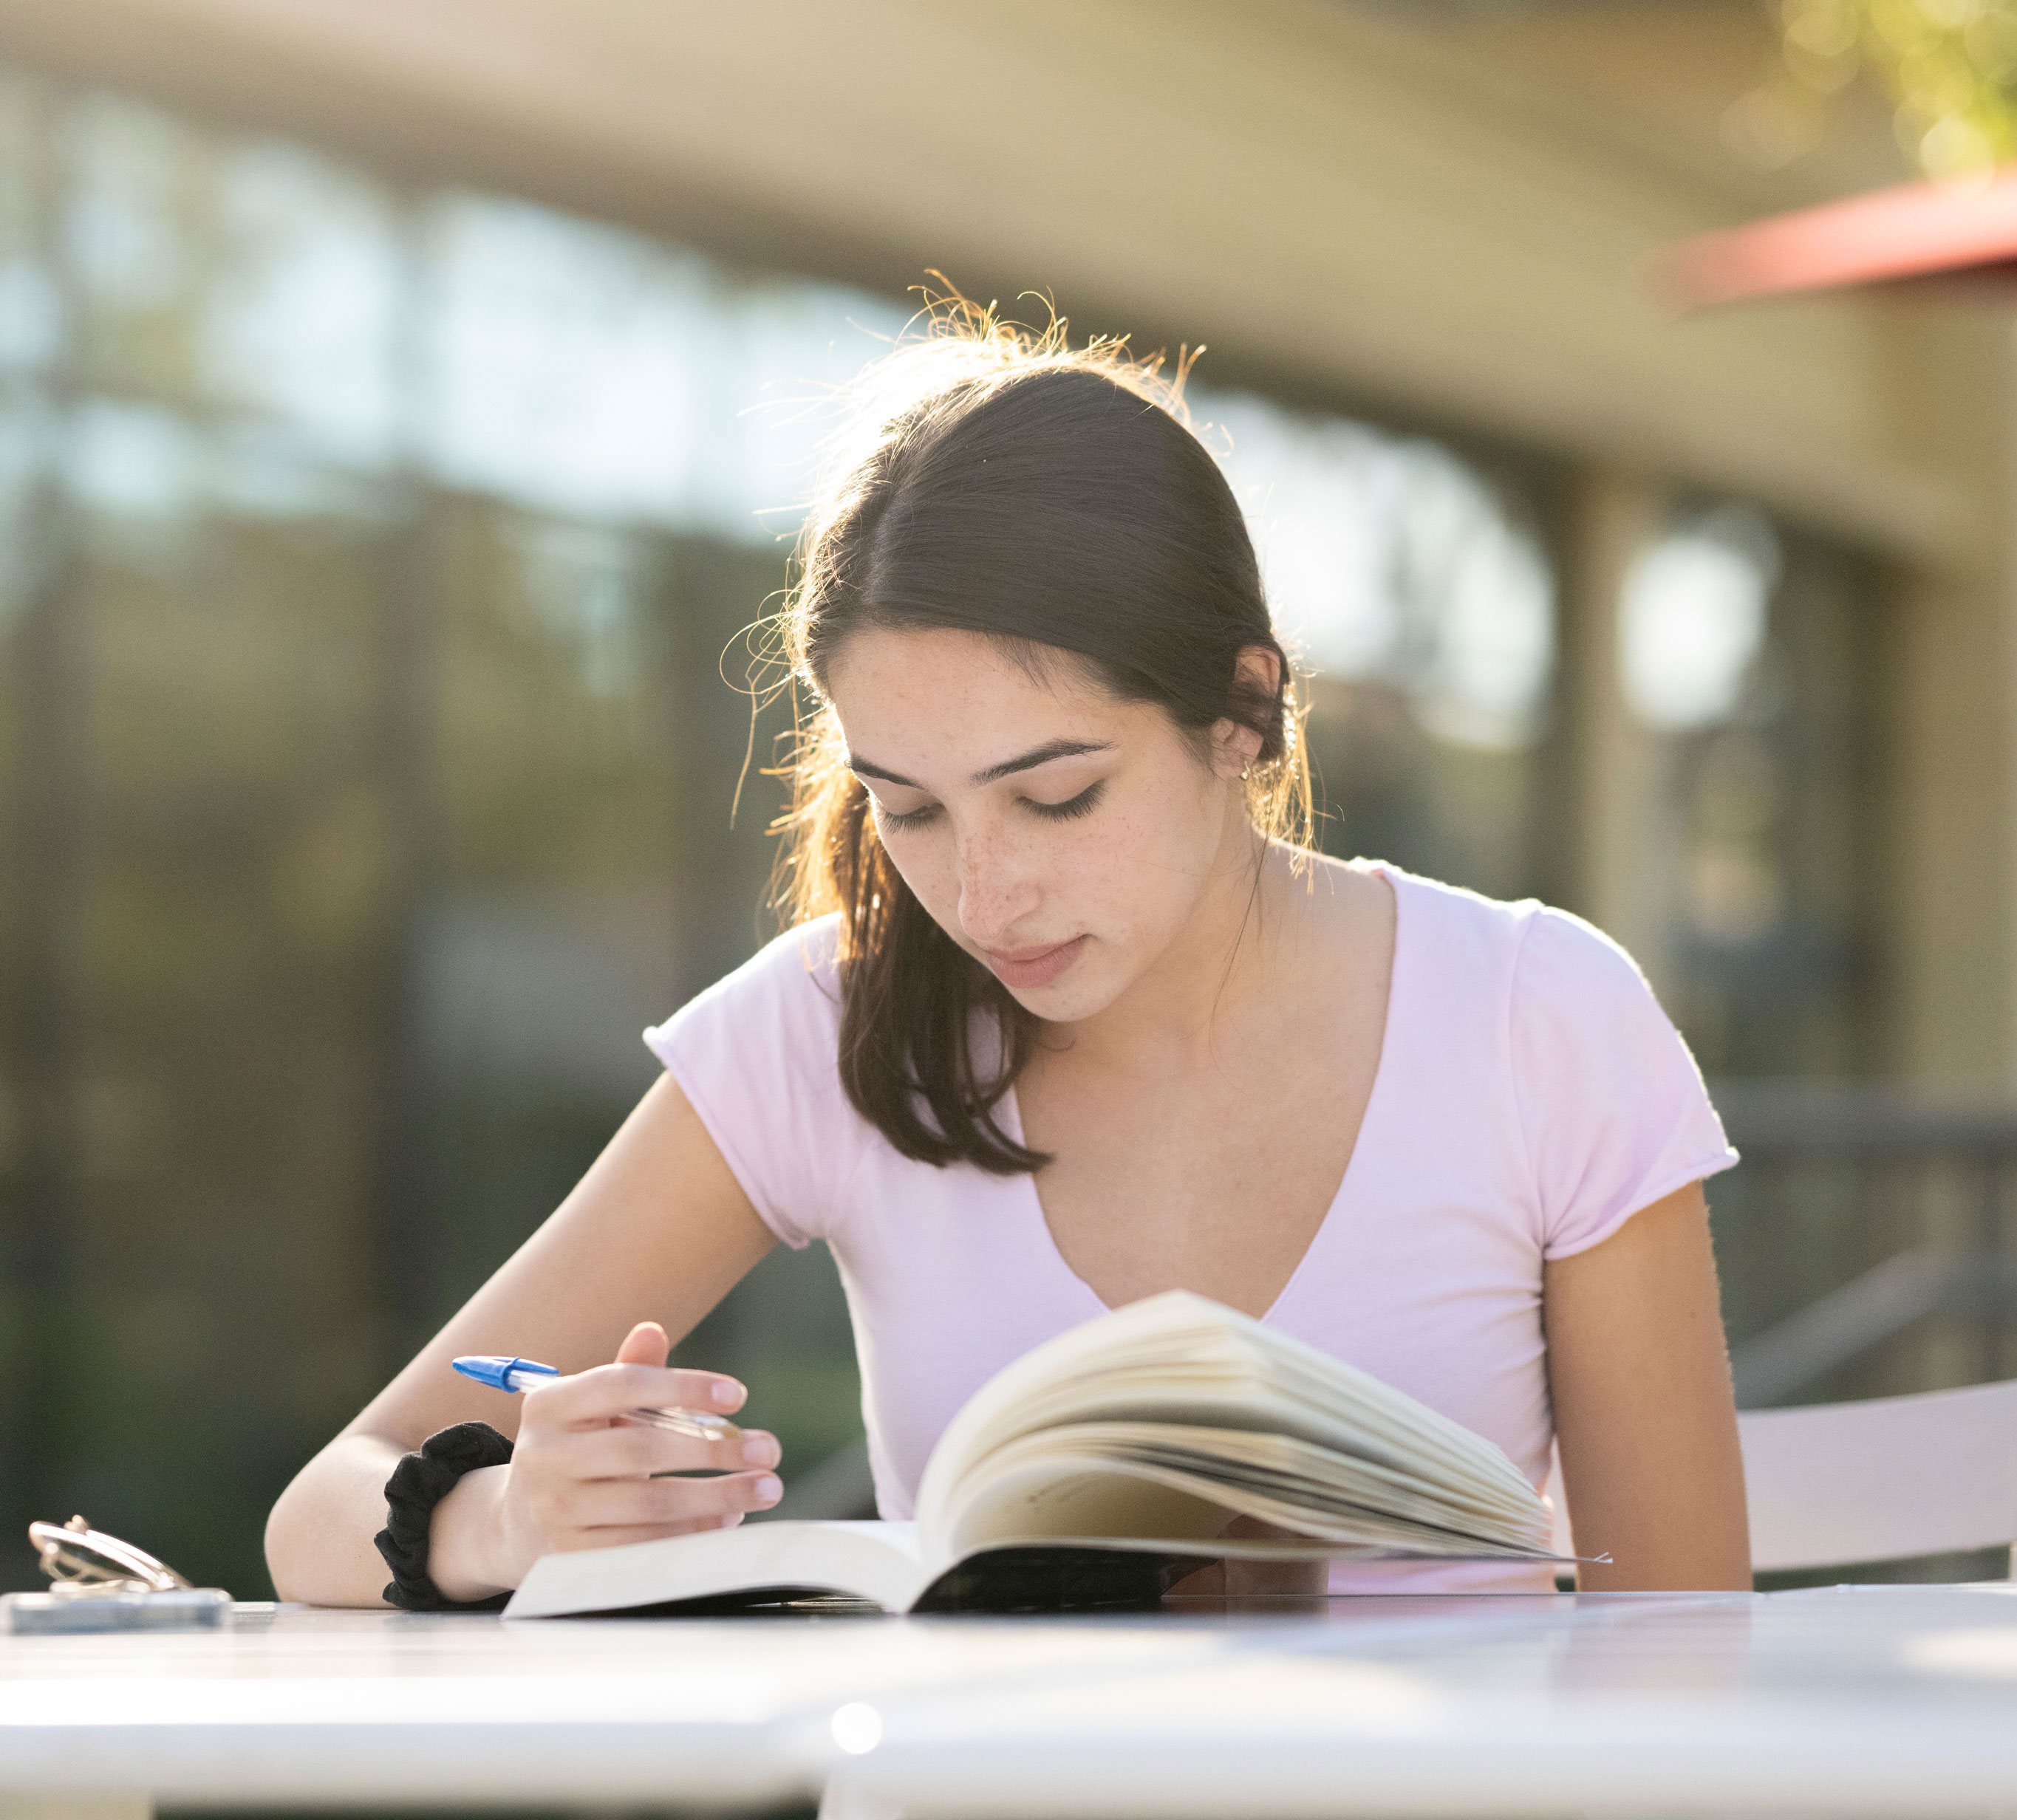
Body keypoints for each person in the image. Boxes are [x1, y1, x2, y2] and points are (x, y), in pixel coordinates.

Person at [265, 305, 1750, 1609]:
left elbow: (1687, 1641)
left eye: (1058, 795)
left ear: (1241, 711)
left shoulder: (1536, 1018)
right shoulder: (825, 1028)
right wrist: (502, 1517)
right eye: (905, 805)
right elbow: (323, 1504)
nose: (983, 892)